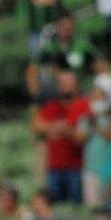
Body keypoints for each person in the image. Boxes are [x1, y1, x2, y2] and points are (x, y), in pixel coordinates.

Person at [33, 70, 91, 204]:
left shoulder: (82, 106)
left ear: (76, 85)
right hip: (54, 167)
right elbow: (37, 126)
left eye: (69, 84)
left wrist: (63, 130)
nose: (66, 87)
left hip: (75, 168)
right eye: (63, 84)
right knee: (54, 206)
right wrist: (58, 127)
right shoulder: (52, 106)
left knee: (75, 206)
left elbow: (81, 137)